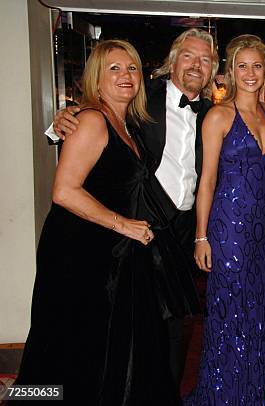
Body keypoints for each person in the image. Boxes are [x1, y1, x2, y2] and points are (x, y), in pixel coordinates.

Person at [15, 40, 197, 405]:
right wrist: (124, 225)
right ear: (96, 79)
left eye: (131, 68)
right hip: (81, 252)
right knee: (69, 344)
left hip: (110, 252)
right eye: (114, 68)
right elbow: (64, 191)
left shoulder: (127, 122)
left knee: (105, 346)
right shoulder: (92, 119)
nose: (125, 75)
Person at [50, 28, 218, 387]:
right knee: (128, 324)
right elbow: (91, 123)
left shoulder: (213, 113)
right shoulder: (144, 97)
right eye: (188, 55)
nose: (195, 65)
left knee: (170, 324)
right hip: (137, 227)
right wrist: (59, 124)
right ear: (172, 62)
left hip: (182, 230)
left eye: (205, 59)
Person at [185, 34, 265, 405]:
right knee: (230, 318)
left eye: (257, 66)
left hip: (262, 230)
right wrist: (201, 236)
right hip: (228, 231)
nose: (250, 73)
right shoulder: (219, 116)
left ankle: (253, 395)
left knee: (258, 317)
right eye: (243, 66)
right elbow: (206, 181)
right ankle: (223, 396)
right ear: (230, 72)